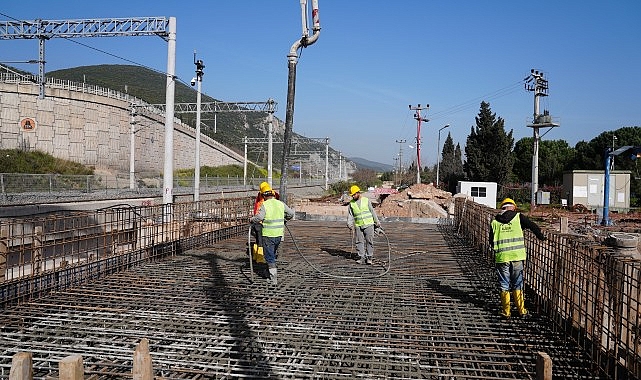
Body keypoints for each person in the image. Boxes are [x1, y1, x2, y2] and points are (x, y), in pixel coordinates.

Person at [490, 197, 546, 318]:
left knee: (504, 284)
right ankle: (522, 311)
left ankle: (506, 312)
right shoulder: (518, 217)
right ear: (513, 207)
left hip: (502, 257)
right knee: (518, 283)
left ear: (502, 208)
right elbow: (533, 226)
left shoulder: (495, 222)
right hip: (517, 257)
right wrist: (541, 237)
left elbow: (491, 241)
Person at [250, 184, 294, 285]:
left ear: (264, 196)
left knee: (269, 257)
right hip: (279, 235)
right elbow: (291, 213)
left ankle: (273, 279)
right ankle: (269, 271)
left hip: (268, 235)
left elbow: (259, 217)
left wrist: (252, 219)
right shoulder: (280, 203)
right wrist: (284, 220)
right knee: (272, 254)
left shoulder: (265, 205)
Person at [346, 185, 381, 265]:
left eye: (354, 194)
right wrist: (349, 223)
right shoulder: (351, 204)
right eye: (352, 195)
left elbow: (372, 211)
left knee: (369, 241)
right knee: (359, 242)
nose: (353, 196)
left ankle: (369, 257)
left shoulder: (366, 200)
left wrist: (377, 222)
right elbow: (350, 214)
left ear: (358, 193)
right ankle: (361, 257)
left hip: (369, 224)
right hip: (358, 225)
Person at [250, 182, 278, 264]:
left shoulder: (260, 196)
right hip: (262, 222)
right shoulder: (266, 200)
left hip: (257, 220)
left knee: (258, 240)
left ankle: (255, 256)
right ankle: (260, 258)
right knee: (262, 241)